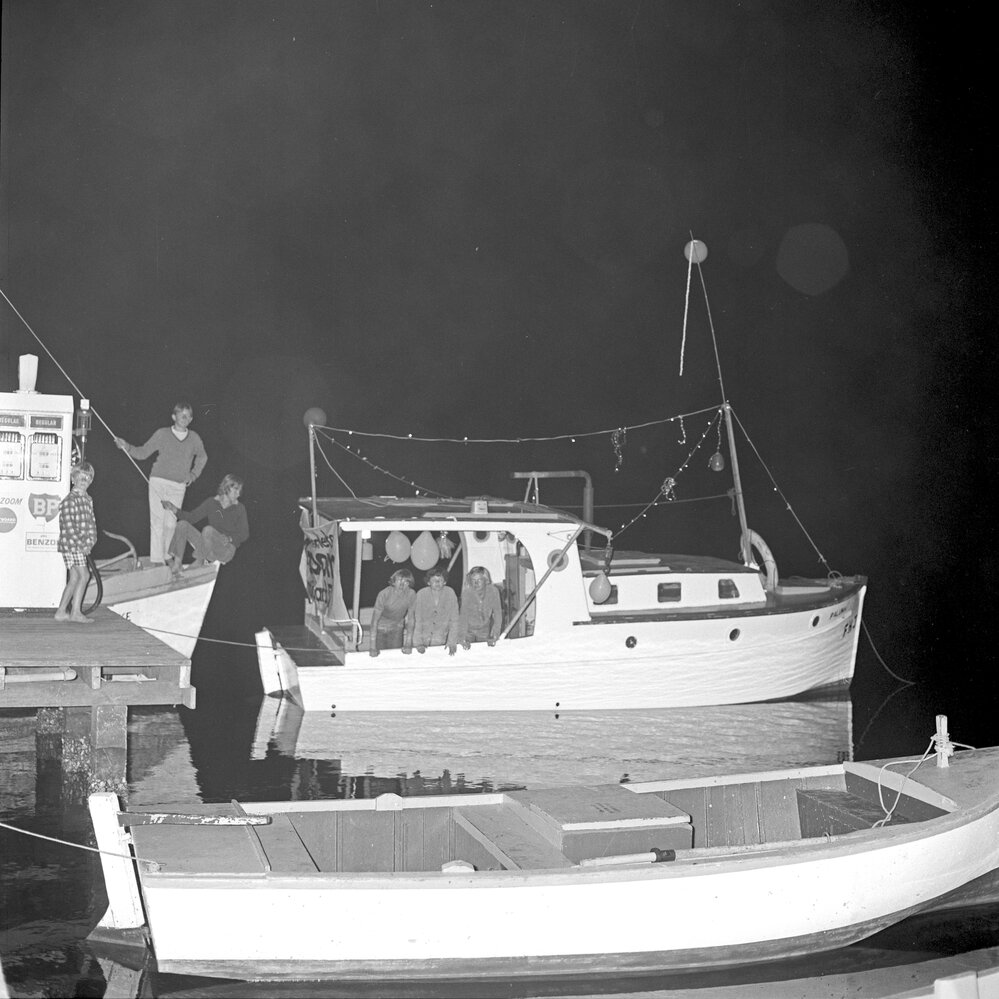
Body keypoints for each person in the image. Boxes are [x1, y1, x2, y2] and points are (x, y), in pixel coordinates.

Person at [114, 402, 207, 564]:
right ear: (174, 416)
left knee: (171, 524)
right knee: (157, 521)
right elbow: (142, 452)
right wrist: (126, 446)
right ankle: (157, 560)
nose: (185, 417)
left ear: (191, 419)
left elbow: (202, 457)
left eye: (188, 415)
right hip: (158, 482)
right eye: (181, 414)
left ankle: (167, 555)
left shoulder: (194, 438)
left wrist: (193, 475)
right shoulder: (162, 434)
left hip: (178, 486)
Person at [161, 474, 248, 572]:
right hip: (207, 545)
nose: (238, 494)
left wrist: (230, 538)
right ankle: (177, 564)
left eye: (240, 491)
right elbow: (191, 517)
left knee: (208, 530)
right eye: (236, 490)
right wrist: (173, 508)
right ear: (226, 488)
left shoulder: (239, 508)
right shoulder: (211, 502)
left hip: (225, 549)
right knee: (182, 524)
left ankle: (199, 561)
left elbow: (244, 533)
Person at [54, 462, 97, 624]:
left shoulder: (87, 500)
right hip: (73, 544)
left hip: (78, 545)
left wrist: (91, 541)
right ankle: (76, 612)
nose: (83, 480)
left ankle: (61, 612)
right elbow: (69, 526)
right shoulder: (70, 501)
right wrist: (82, 544)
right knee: (84, 575)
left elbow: (91, 524)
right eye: (80, 478)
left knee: (74, 577)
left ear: (91, 480)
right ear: (73, 479)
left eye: (87, 478)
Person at [411, 566, 459, 656]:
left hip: (442, 640)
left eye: (440, 580)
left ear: (445, 582)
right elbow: (417, 620)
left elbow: (454, 620)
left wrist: (452, 641)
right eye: (434, 580)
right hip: (423, 640)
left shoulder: (450, 593)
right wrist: (418, 643)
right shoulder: (421, 594)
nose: (437, 583)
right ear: (428, 582)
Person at [369, 568, 416, 657]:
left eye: (406, 581)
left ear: (409, 584)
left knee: (395, 658)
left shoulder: (411, 594)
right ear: (393, 582)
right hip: (380, 628)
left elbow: (411, 619)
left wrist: (409, 642)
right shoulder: (384, 594)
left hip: (397, 628)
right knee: (380, 658)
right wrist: (372, 646)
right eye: (399, 580)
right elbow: (374, 621)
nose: (402, 584)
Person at [459, 566, 503, 648]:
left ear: (486, 580)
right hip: (468, 629)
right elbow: (463, 617)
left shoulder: (493, 591)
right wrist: (462, 638)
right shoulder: (467, 593)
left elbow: (497, 613)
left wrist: (495, 633)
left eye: (479, 580)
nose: (476, 583)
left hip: (484, 628)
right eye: (473, 580)